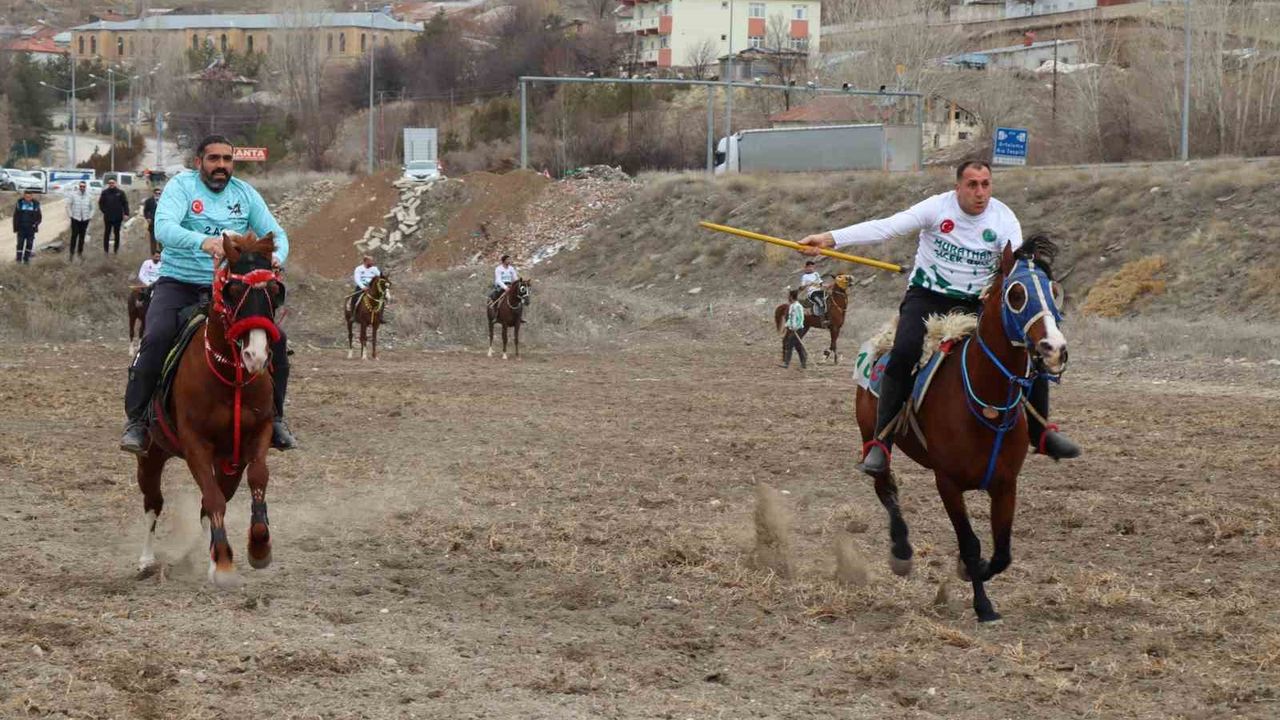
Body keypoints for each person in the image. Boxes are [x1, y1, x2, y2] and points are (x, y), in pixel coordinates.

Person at [798, 158, 1079, 476]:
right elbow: (886, 228)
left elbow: (1012, 267)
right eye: (972, 185)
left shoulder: (1004, 218)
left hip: (975, 303)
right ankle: (881, 443)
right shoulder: (936, 208)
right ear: (958, 187)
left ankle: (1041, 433)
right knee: (904, 352)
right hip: (927, 298)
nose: (980, 192)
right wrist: (829, 238)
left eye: (985, 185)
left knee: (1026, 349)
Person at [120, 134, 296, 454]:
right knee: (157, 336)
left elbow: (278, 235)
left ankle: (277, 418)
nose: (221, 165)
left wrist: (276, 257)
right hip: (180, 282)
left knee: (277, 340)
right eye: (214, 159)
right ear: (199, 161)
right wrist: (203, 241)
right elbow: (163, 228)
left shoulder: (245, 194)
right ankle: (138, 420)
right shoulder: (181, 187)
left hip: (230, 289)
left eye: (227, 159)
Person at [98, 178, 129, 254]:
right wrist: (105, 211)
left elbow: (125, 203)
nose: (111, 184)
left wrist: (126, 213)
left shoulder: (120, 193)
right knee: (107, 234)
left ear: (115, 183)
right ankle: (106, 251)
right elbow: (101, 203)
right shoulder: (105, 193)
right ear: (108, 184)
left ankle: (116, 250)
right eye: (110, 183)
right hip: (108, 217)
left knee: (117, 233)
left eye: (113, 183)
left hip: (118, 217)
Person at [66, 180, 95, 261]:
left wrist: (90, 217)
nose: (82, 188)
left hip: (85, 219)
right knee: (74, 236)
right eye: (81, 186)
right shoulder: (73, 195)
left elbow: (93, 208)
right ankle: (71, 254)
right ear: (79, 187)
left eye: (83, 186)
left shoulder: (89, 196)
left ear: (86, 187)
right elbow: (68, 206)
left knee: (82, 237)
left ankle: (80, 253)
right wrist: (71, 215)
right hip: (75, 218)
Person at [780, 288, 808, 370]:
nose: (788, 298)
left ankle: (786, 363)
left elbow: (801, 318)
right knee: (797, 346)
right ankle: (803, 362)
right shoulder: (792, 306)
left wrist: (796, 327)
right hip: (793, 329)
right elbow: (790, 318)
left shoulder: (798, 306)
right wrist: (786, 326)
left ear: (791, 297)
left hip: (798, 329)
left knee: (789, 344)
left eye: (789, 296)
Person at [12, 189, 41, 265]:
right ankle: (18, 260)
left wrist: (36, 224)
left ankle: (26, 260)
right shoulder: (19, 204)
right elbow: (15, 216)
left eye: (29, 197)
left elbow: (39, 217)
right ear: (24, 196)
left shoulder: (36, 204)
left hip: (31, 228)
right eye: (26, 197)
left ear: (32, 196)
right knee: (20, 244)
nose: (27, 198)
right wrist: (15, 228)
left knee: (29, 244)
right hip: (21, 228)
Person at [143, 186, 162, 254]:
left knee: (161, 239)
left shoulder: (163, 201)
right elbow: (145, 211)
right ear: (154, 193)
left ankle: (162, 254)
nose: (158, 194)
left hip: (161, 223)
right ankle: (153, 254)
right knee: (153, 239)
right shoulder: (149, 201)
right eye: (156, 193)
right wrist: (148, 218)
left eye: (159, 193)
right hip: (152, 222)